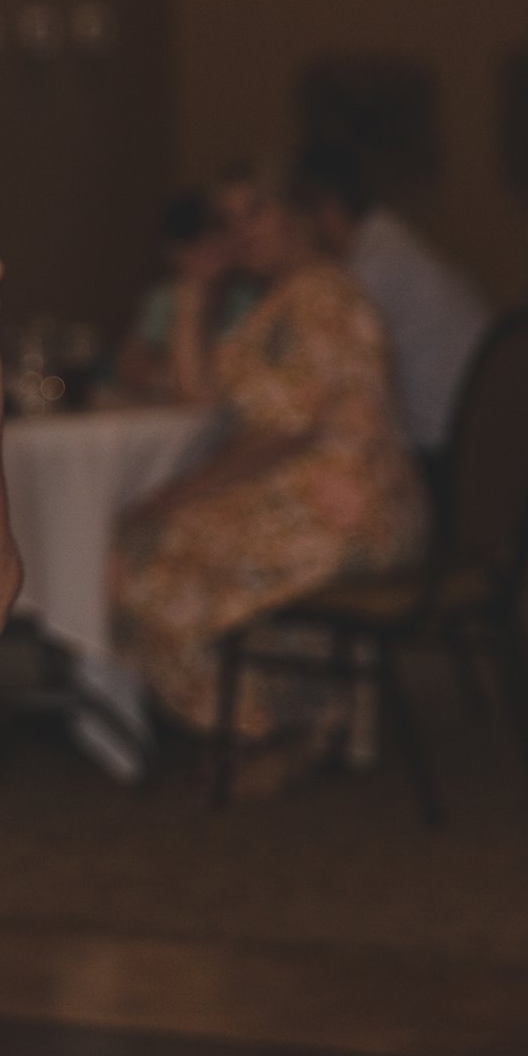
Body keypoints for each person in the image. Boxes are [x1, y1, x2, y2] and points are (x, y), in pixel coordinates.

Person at [114, 162, 425, 781]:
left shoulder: (320, 295)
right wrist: (196, 292)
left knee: (149, 555)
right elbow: (201, 402)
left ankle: (264, 730)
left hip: (347, 506)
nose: (241, 231)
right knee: (157, 543)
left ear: (296, 213)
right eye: (229, 220)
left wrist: (175, 496)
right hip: (310, 495)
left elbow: (284, 433)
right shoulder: (276, 302)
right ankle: (285, 719)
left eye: (255, 211)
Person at [296, 142, 489, 462]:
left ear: (326, 211)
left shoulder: (372, 269)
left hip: (448, 445)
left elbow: (317, 376)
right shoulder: (386, 238)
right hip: (478, 423)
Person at [106, 191, 256, 403]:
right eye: (193, 244)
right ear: (174, 253)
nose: (207, 249)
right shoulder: (166, 297)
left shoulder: (250, 297)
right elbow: (132, 365)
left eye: (215, 235)